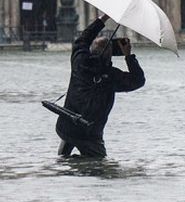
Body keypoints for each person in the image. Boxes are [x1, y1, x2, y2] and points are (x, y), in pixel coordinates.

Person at [56, 14, 145, 158]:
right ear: (110, 55)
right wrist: (128, 55)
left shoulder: (79, 61)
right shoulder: (112, 76)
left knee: (64, 158)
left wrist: (103, 19)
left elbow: (83, 39)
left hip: (67, 126)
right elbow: (138, 80)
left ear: (91, 49)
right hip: (90, 135)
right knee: (99, 166)